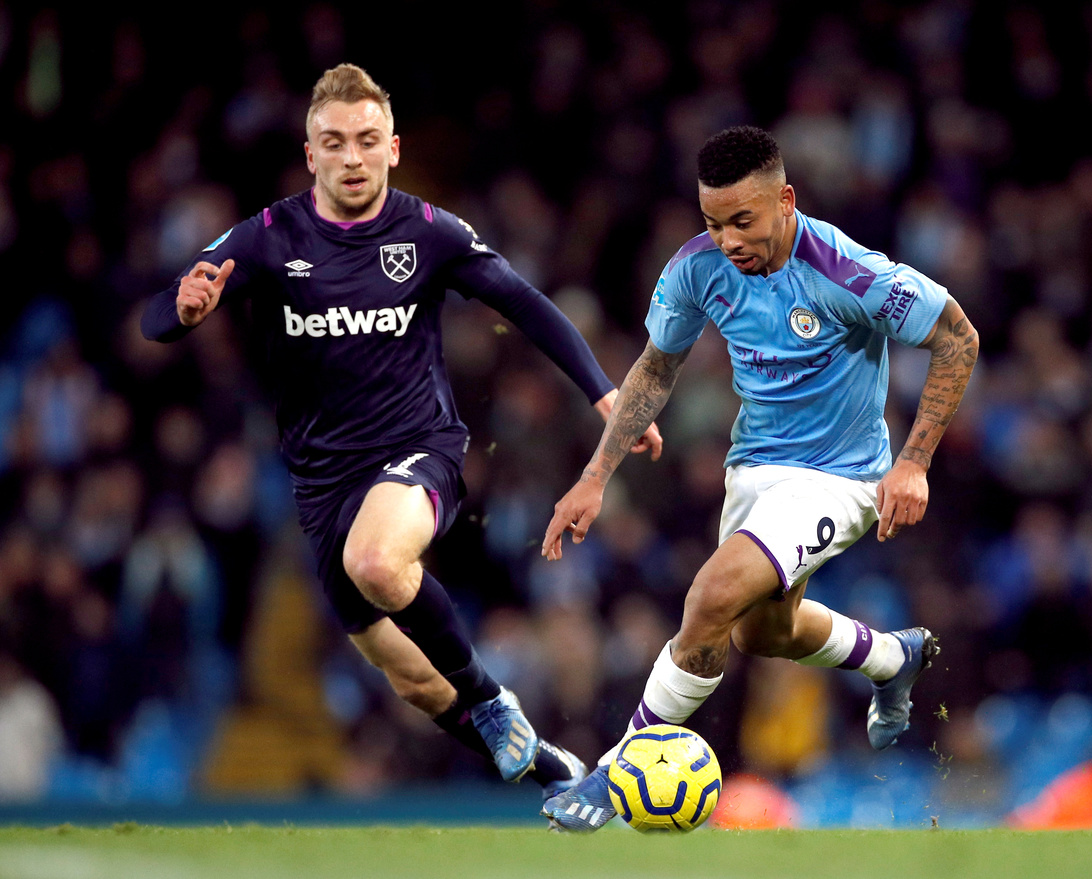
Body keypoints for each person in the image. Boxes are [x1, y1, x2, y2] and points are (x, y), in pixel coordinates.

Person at [141, 63, 662, 798]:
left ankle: (490, 699)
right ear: (311, 155)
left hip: (420, 450)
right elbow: (157, 316)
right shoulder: (268, 237)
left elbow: (523, 302)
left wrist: (605, 393)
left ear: (392, 149)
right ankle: (555, 771)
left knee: (379, 563)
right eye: (334, 142)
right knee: (414, 681)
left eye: (367, 140)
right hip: (322, 486)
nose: (351, 157)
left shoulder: (428, 232)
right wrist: (183, 311)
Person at [540, 125, 978, 831]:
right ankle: (892, 657)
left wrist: (914, 462)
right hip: (751, 471)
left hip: (839, 478)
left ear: (785, 201)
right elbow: (657, 366)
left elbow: (957, 336)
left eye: (743, 221)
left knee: (711, 596)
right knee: (760, 633)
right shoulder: (695, 268)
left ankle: (613, 770)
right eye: (714, 223)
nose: (728, 240)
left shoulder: (847, 271)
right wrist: (595, 476)